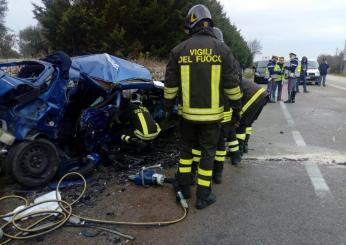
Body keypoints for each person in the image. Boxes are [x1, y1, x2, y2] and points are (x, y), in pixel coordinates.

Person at [164, 5, 242, 209]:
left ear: (191, 23)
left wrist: (168, 108)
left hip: (187, 116)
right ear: (209, 23)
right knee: (208, 153)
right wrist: (236, 107)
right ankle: (203, 195)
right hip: (213, 118)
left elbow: (170, 86)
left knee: (186, 151)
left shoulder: (178, 50)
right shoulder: (222, 49)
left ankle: (184, 187)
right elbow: (232, 85)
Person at [231, 79, 269, 160]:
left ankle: (239, 151)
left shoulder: (230, 83)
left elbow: (235, 102)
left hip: (254, 96)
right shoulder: (235, 79)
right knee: (248, 122)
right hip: (263, 95)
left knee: (241, 122)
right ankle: (244, 146)